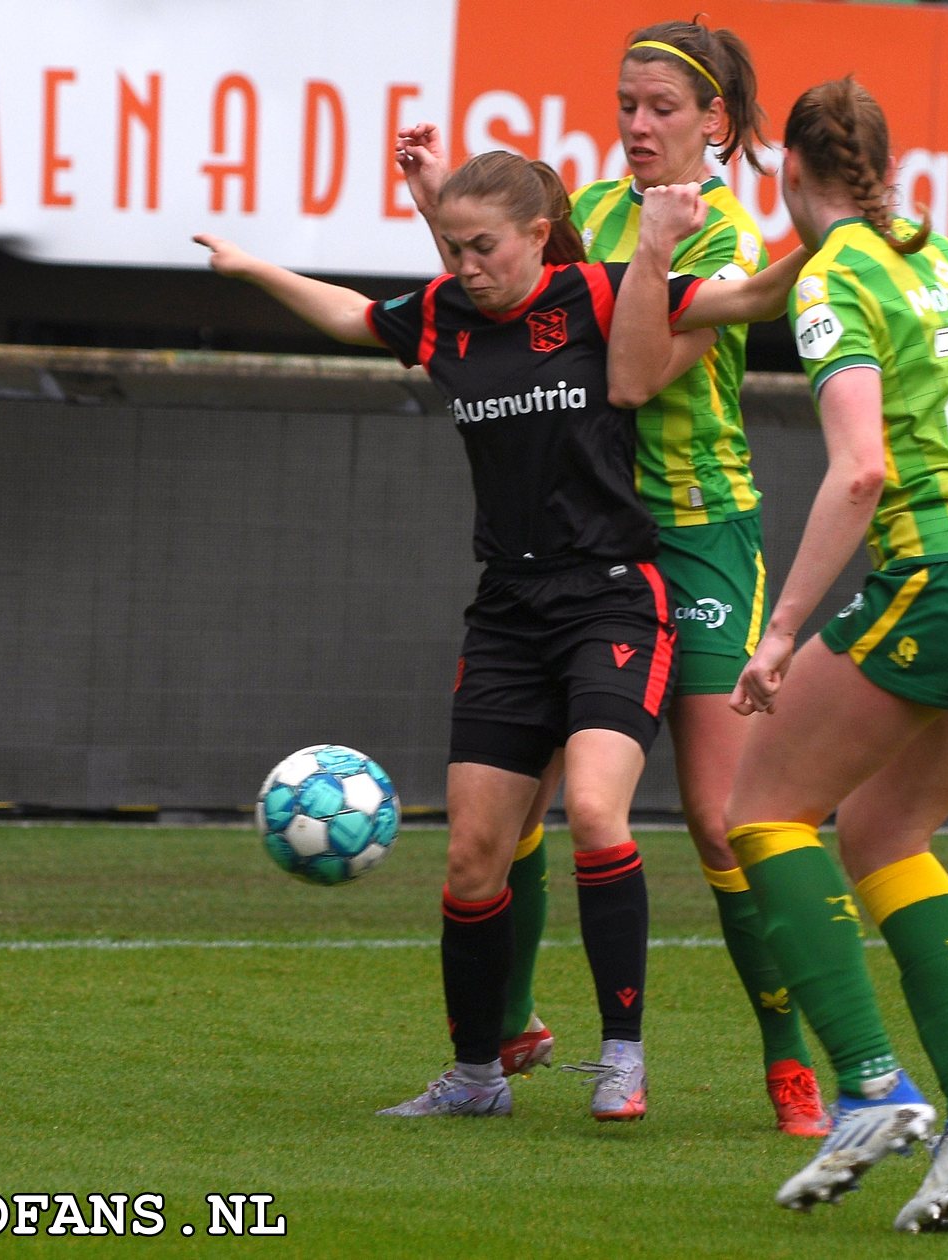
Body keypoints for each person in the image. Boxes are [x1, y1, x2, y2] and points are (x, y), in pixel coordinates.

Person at [195, 152, 801, 1123]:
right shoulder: (446, 314)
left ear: (535, 233)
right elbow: (355, 316)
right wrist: (253, 268)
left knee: (598, 816)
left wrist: (831, 234)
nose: (466, 265)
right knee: (474, 853)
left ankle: (622, 1056)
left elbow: (751, 300)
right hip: (511, 614)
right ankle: (476, 1075)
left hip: (613, 600)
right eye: (450, 246)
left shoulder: (602, 293)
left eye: (482, 246)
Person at [614, 76, 948, 1233]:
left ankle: (870, 1087)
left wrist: (778, 636)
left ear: (788, 173)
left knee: (758, 810)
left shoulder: (837, 278)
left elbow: (861, 471)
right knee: (882, 833)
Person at [395, 18, 829, 1139]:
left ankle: (790, 1062)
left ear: (716, 123)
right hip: (587, 547)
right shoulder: (586, 203)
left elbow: (632, 377)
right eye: (625, 104)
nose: (635, 126)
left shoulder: (720, 231)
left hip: (694, 540)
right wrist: (442, 200)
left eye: (661, 110)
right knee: (516, 799)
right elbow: (501, 282)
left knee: (722, 820)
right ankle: (514, 1025)